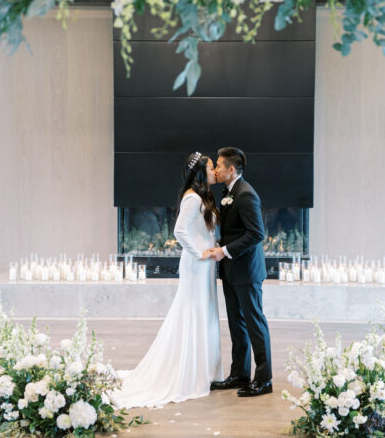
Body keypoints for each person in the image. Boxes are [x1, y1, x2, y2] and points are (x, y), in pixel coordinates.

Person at [110, 152, 223, 409]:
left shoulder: (204, 196)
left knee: (204, 312)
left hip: (206, 266)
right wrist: (200, 252)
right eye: (210, 167)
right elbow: (179, 230)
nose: (214, 170)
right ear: (200, 173)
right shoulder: (193, 198)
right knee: (192, 311)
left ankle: (204, 370)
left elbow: (202, 230)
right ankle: (189, 372)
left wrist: (212, 247)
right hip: (196, 265)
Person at [209, 147, 273, 397]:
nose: (216, 169)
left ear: (231, 169)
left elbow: (257, 233)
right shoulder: (229, 192)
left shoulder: (246, 194)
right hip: (232, 270)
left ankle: (264, 379)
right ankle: (239, 374)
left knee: (255, 324)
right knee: (237, 324)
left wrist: (224, 251)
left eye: (219, 166)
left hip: (246, 271)